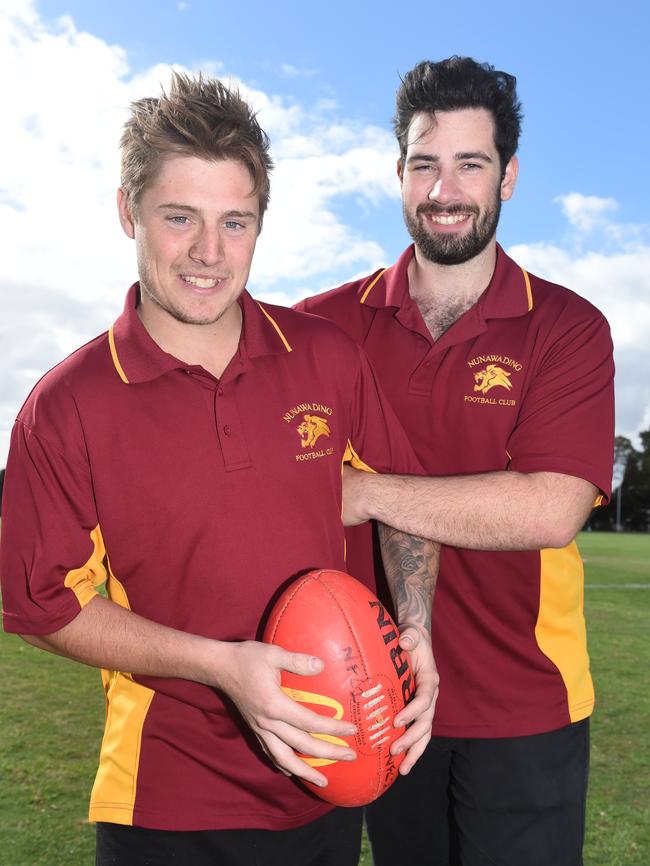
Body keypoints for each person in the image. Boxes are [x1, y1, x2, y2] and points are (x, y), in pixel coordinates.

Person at [0, 73, 439, 866]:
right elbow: (40, 606)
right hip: (165, 806)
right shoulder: (66, 406)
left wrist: (415, 630)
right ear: (129, 213)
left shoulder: (327, 357)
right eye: (180, 218)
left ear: (260, 226)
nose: (209, 253)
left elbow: (403, 501)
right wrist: (218, 665)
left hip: (330, 775)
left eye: (234, 222)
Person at [297, 56, 615, 866]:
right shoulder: (321, 326)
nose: (445, 191)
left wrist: (365, 493)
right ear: (398, 174)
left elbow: (550, 508)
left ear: (507, 176)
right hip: (377, 694)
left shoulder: (568, 328)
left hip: (526, 702)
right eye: (424, 165)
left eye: (470, 165)